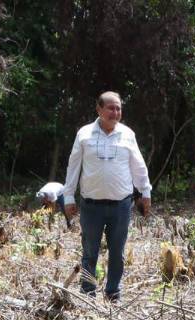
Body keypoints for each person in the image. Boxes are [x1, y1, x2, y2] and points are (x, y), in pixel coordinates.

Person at [63, 92, 152, 301]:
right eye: (111, 108)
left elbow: (138, 166)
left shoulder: (127, 134)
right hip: (91, 206)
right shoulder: (84, 134)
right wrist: (68, 197)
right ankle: (88, 294)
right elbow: (73, 167)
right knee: (90, 252)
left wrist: (145, 192)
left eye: (118, 108)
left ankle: (113, 293)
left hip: (121, 206)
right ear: (99, 109)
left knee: (117, 253)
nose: (115, 112)